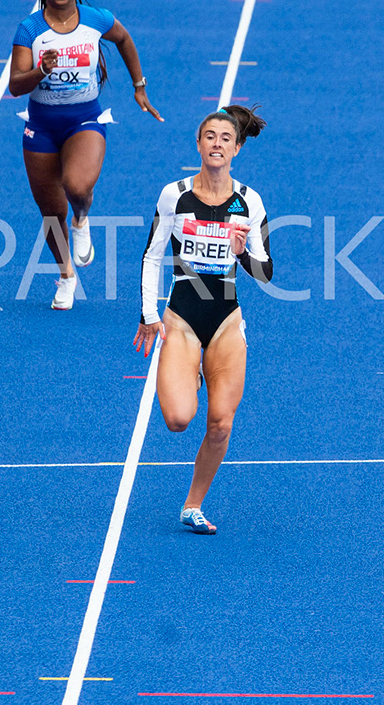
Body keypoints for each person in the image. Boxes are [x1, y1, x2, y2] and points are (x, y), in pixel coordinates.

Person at [134, 107, 273, 533]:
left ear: (236, 148)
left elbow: (266, 272)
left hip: (227, 319)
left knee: (220, 423)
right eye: (209, 136)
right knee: (178, 420)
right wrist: (149, 314)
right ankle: (188, 369)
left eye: (224, 138)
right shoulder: (174, 195)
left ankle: (193, 505)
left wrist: (242, 253)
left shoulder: (249, 201)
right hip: (182, 319)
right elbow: (153, 253)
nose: (216, 144)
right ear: (198, 145)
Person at [9, 0, 162, 311]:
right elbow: (16, 86)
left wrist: (139, 85)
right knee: (50, 209)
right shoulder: (29, 30)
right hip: (42, 125)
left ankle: (82, 218)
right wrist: (39, 72)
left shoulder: (96, 19)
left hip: (85, 120)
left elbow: (124, 39)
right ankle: (66, 276)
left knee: (77, 187)